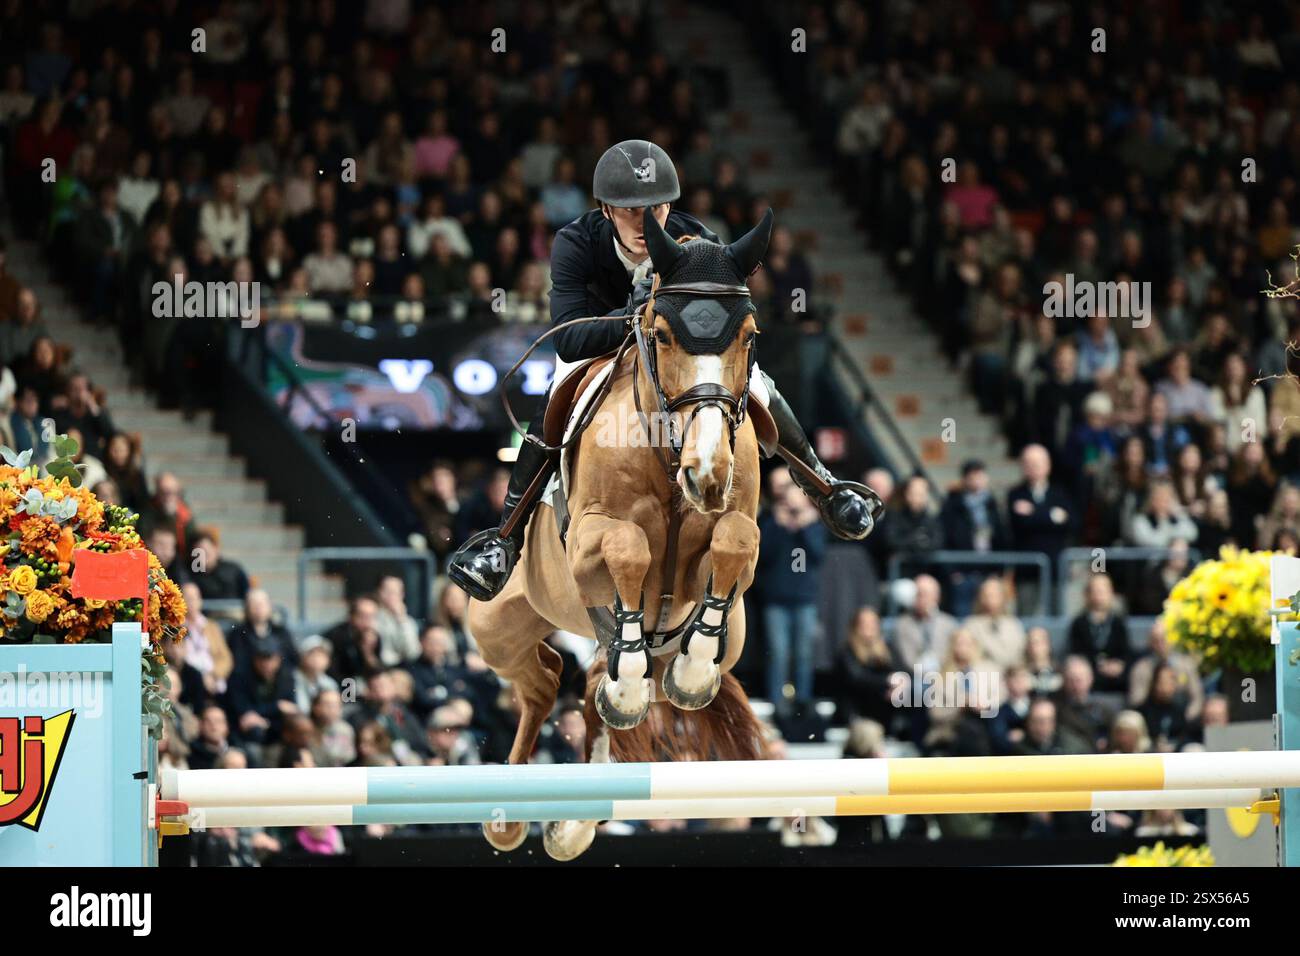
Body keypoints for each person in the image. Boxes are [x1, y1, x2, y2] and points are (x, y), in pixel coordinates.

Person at [449, 140, 881, 601]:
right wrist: (633, 318)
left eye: (654, 208)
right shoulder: (576, 242)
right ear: (605, 209)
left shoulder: (700, 241)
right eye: (628, 210)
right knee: (560, 395)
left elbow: (722, 323)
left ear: (670, 204)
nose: (643, 221)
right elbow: (568, 339)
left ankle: (823, 485)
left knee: (757, 381)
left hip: (676, 354)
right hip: (598, 352)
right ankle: (506, 538)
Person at [756, 478, 827, 706]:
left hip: (805, 598)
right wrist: (778, 526)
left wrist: (805, 527)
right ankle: (778, 702)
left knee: (804, 654)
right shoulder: (771, 522)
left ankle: (804, 700)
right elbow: (763, 555)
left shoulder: (814, 524)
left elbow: (818, 555)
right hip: (777, 599)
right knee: (778, 653)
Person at [1066, 573, 1132, 693]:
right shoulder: (1079, 623)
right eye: (1095, 591)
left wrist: (1117, 665)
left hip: (1116, 680)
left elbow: (1126, 652)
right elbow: (1076, 652)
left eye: (1102, 591)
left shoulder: (1118, 623)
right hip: (1089, 677)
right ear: (1087, 594)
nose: (1098, 596)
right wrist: (1095, 666)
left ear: (1111, 594)